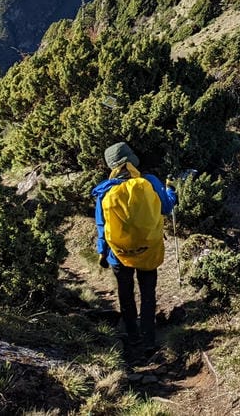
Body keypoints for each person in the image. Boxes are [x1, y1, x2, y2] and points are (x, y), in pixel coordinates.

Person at [92, 141, 177, 355]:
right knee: (148, 292)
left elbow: (102, 225)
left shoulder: (104, 190)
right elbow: (166, 207)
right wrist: (171, 191)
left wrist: (102, 251)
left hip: (117, 253)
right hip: (148, 248)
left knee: (125, 292)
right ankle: (149, 337)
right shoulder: (149, 181)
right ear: (131, 159)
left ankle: (132, 336)